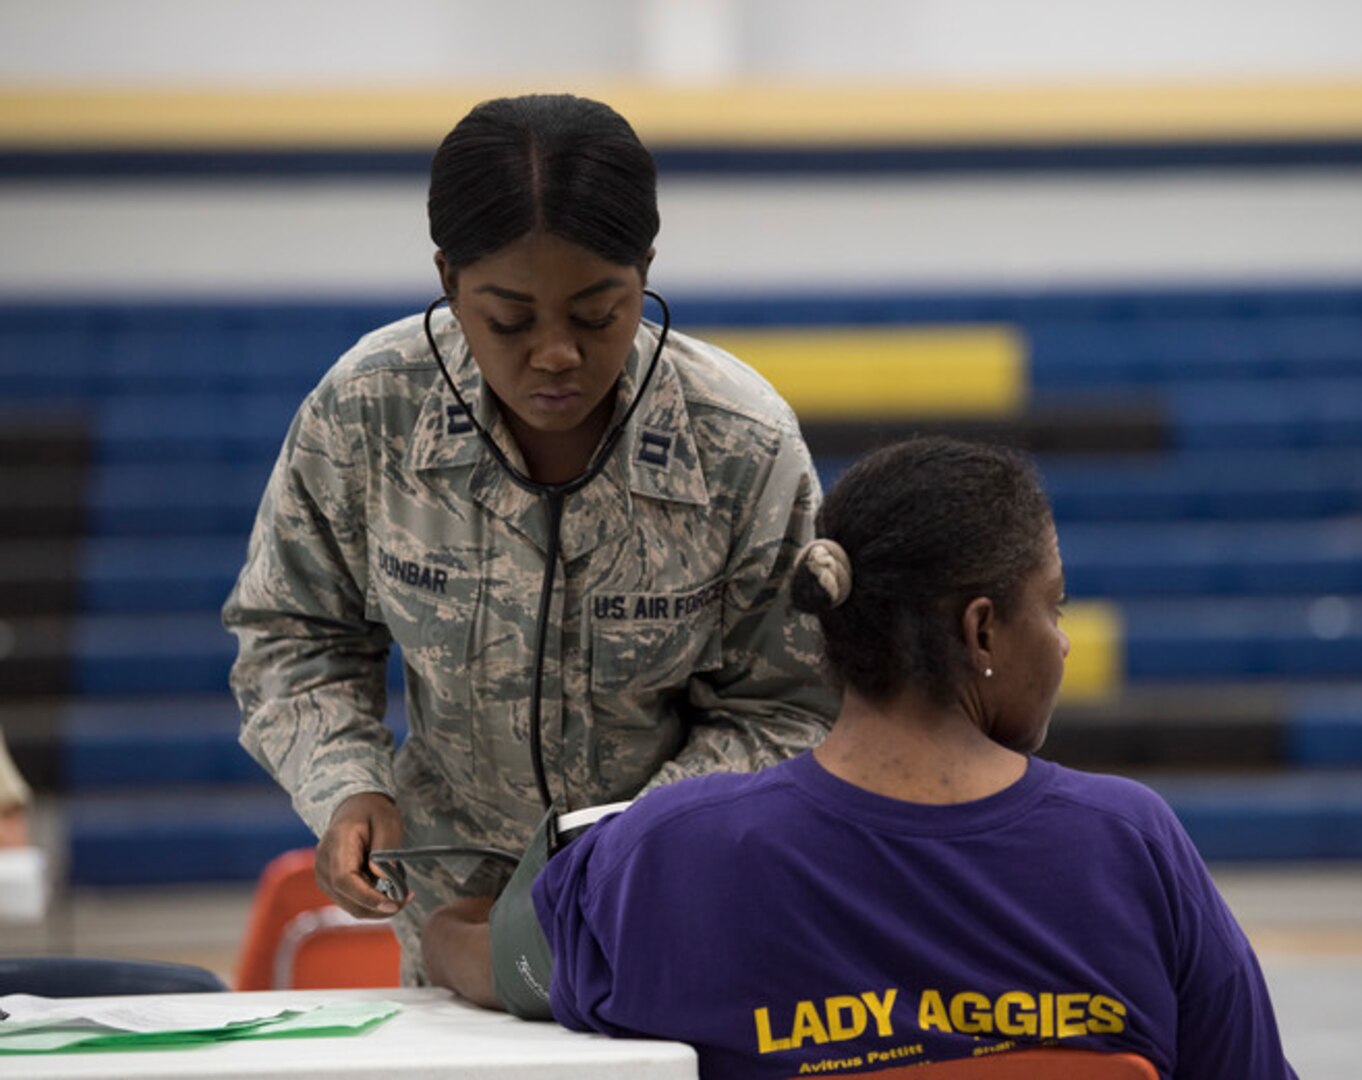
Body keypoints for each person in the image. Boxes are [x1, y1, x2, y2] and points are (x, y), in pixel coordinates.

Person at [422, 436, 1297, 1079]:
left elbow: (478, 961)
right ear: (981, 628)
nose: (1062, 645)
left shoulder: (667, 857)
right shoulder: (1130, 846)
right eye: (1053, 607)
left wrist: (445, 926)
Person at [222, 93, 836, 982]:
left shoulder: (737, 442)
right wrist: (348, 785)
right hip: (450, 922)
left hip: (675, 907)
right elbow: (291, 634)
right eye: (508, 319)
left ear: (645, 268)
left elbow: (789, 703)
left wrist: (626, 846)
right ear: (447, 281)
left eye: (598, 314)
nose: (555, 354)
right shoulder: (369, 415)